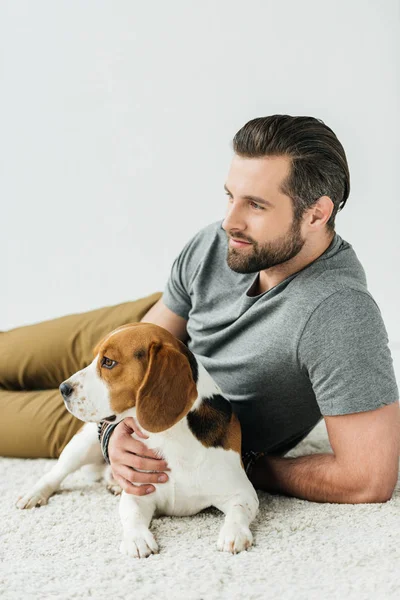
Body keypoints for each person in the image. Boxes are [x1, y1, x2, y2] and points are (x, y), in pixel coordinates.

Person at [1, 115, 399, 505]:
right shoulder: (219, 243)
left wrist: (241, 463)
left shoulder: (339, 316)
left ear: (316, 213)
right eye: (230, 196)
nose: (229, 221)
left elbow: (367, 479)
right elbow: (150, 336)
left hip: (175, 411)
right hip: (139, 343)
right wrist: (110, 433)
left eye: (256, 205)